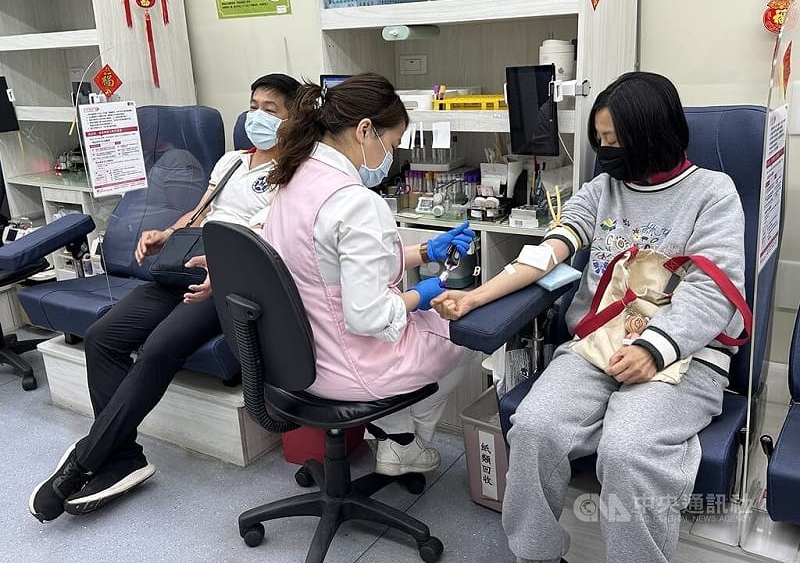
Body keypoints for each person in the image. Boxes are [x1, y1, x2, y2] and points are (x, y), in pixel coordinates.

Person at [433, 72, 746, 563]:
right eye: (600, 141)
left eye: (613, 141)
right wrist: (476, 297)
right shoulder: (603, 190)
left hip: (682, 356)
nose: (604, 153)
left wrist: (653, 349)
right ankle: (536, 554)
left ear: (650, 135)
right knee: (534, 428)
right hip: (598, 345)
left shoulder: (712, 193)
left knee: (627, 451)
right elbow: (547, 253)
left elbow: (713, 292)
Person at [29, 73, 301, 522]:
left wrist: (224, 273)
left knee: (157, 349)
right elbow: (201, 213)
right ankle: (123, 457)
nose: (256, 117)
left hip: (230, 280)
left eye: (270, 110)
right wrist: (167, 234)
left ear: (294, 119)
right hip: (182, 267)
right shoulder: (231, 162)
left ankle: (85, 460)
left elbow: (275, 238)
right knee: (102, 336)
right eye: (253, 106)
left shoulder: (293, 174)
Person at [262, 72, 478, 476]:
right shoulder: (354, 202)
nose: (391, 156)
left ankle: (394, 435)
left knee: (417, 326)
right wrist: (420, 296)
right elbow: (367, 316)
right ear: (364, 130)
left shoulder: (293, 179)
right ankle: (406, 443)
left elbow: (327, 269)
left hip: (298, 361)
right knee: (467, 334)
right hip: (348, 368)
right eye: (392, 144)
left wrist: (424, 251)